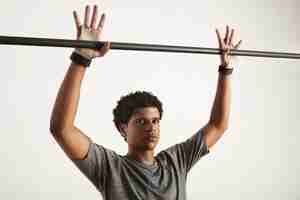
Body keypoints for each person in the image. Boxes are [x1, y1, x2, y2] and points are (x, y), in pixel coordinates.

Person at [49, 4, 242, 200]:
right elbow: (61, 129)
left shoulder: (176, 161)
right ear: (123, 129)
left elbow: (218, 125)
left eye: (155, 121)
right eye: (141, 121)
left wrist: (226, 71)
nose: (151, 127)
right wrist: (81, 59)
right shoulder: (110, 167)